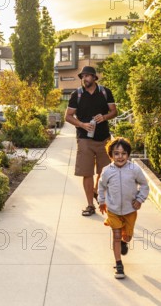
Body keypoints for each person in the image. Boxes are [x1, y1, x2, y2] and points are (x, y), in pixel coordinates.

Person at [65, 66, 117, 217]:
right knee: (87, 172)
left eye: (88, 76)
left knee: (104, 172)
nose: (84, 78)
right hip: (84, 139)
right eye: (83, 76)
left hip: (104, 139)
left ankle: (96, 190)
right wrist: (82, 124)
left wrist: (105, 117)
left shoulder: (105, 92)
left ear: (94, 78)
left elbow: (114, 111)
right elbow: (68, 116)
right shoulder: (77, 94)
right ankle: (90, 205)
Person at [98, 137, 149, 279]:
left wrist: (139, 199)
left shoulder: (134, 169)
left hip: (130, 210)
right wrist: (101, 201)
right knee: (116, 235)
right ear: (111, 155)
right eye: (116, 153)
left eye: (123, 153)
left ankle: (123, 242)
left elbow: (144, 185)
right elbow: (101, 187)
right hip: (113, 210)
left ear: (128, 154)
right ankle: (119, 265)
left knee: (127, 237)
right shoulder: (107, 171)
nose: (120, 156)